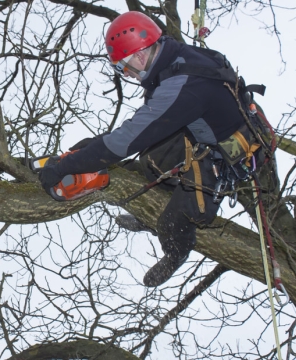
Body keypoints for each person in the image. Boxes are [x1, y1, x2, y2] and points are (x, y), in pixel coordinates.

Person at [39, 11, 266, 287]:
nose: (128, 75)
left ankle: (175, 252)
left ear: (138, 56)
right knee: (150, 161)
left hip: (233, 151)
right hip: (204, 129)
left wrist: (65, 168)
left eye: (124, 68)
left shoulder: (181, 86)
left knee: (175, 220)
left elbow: (126, 140)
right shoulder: (173, 57)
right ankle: (151, 214)